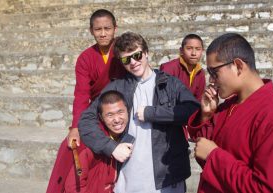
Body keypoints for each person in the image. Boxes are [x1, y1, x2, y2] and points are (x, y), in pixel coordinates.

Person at [78, 32, 200, 193]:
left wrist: (153, 113)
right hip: (129, 178)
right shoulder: (117, 87)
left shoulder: (170, 84)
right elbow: (86, 120)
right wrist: (111, 148)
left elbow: (192, 110)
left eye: (137, 55)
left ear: (146, 53)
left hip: (167, 177)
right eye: (126, 59)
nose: (134, 62)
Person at [187, 33, 273, 193]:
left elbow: (268, 189)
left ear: (238, 66)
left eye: (214, 72)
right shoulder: (229, 105)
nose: (211, 80)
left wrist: (214, 156)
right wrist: (206, 115)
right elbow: (203, 148)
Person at [46, 90, 132, 193]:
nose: (117, 119)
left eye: (120, 112)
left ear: (128, 111)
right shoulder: (89, 143)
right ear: (101, 117)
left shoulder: (125, 137)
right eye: (110, 115)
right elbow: (74, 188)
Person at [67, 9, 126, 148]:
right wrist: (75, 127)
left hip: (126, 108)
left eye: (107, 28)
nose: (103, 34)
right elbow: (82, 94)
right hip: (99, 110)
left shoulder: (124, 48)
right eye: (98, 29)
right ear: (91, 31)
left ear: (115, 28)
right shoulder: (85, 58)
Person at [160, 34, 206, 101]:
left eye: (198, 49)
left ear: (202, 51)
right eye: (189, 48)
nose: (194, 53)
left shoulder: (200, 72)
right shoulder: (169, 68)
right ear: (181, 50)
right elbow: (162, 98)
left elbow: (198, 100)